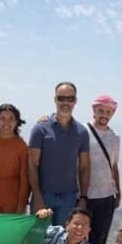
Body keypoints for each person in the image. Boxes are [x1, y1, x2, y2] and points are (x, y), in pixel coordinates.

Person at [28, 82, 90, 226]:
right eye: (61, 98)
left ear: (75, 101)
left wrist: (83, 198)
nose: (66, 102)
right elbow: (32, 165)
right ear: (55, 99)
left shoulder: (81, 132)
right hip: (44, 195)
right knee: (39, 242)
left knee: (63, 242)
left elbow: (85, 167)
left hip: (69, 197)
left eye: (70, 99)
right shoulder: (40, 129)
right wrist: (37, 198)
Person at [84, 95, 121, 244]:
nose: (104, 115)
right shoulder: (83, 131)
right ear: (94, 110)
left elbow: (114, 165)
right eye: (101, 111)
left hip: (106, 196)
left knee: (99, 239)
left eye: (108, 111)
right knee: (80, 237)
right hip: (85, 195)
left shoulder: (115, 137)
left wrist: (117, 191)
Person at [0, 104, 30, 213]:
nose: (6, 122)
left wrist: (22, 204)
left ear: (17, 122)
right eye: (2, 118)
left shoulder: (21, 145)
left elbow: (24, 178)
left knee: (10, 230)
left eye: (11, 119)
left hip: (12, 195)